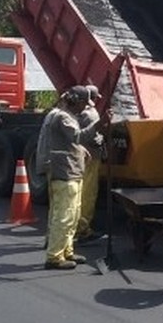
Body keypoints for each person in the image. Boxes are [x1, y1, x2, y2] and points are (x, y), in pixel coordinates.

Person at [43, 85, 105, 270]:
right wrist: (99, 125)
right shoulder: (63, 117)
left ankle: (66, 251)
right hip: (64, 173)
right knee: (64, 216)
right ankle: (54, 257)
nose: (85, 107)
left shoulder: (66, 116)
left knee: (73, 214)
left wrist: (81, 150)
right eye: (84, 103)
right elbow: (78, 136)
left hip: (72, 171)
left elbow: (72, 142)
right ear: (76, 101)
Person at [75, 84, 106, 245]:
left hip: (81, 158)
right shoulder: (91, 114)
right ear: (92, 99)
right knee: (88, 193)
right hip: (91, 156)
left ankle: (77, 226)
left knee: (81, 191)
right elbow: (90, 137)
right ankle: (83, 229)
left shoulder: (80, 113)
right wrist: (101, 137)